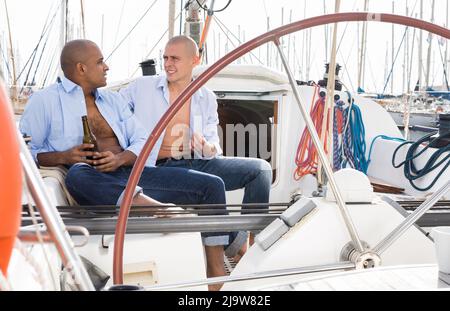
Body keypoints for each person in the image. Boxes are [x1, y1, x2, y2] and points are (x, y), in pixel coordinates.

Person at [19, 39, 245, 290]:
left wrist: (121, 158)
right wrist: (65, 157)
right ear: (81, 69)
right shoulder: (45, 101)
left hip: (132, 172)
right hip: (92, 181)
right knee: (77, 175)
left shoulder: (111, 101)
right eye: (100, 62)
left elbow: (141, 138)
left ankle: (215, 275)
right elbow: (26, 150)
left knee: (212, 185)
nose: (107, 67)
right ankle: (151, 207)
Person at [120, 35, 272, 256]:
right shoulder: (142, 87)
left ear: (195, 60)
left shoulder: (206, 97)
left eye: (175, 58)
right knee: (212, 186)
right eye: (165, 58)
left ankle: (252, 243)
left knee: (261, 170)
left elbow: (213, 145)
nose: (168, 64)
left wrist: (207, 147)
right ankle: (236, 247)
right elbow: (110, 109)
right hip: (160, 168)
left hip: (199, 162)